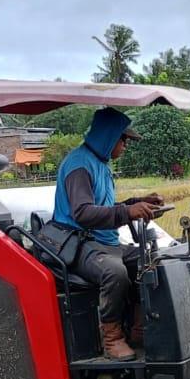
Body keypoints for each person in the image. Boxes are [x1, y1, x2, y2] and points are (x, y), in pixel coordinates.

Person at [52, 107, 164, 360]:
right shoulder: (79, 165)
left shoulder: (99, 164)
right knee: (115, 272)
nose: (125, 146)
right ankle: (111, 338)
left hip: (103, 241)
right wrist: (128, 212)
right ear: (109, 137)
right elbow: (83, 213)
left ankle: (138, 329)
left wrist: (138, 202)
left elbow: (104, 207)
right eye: (123, 139)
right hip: (79, 243)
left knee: (150, 262)